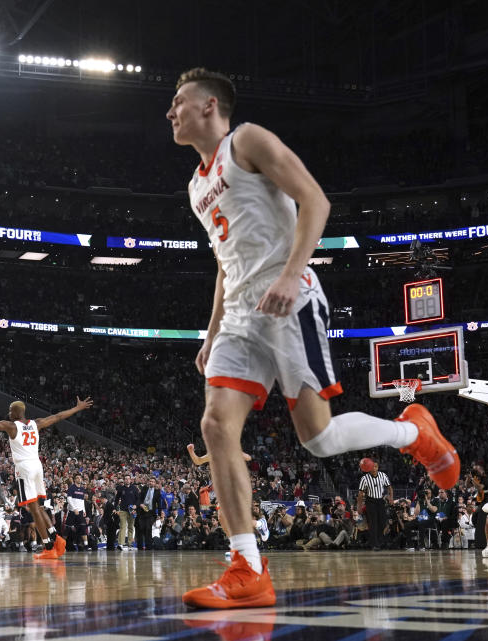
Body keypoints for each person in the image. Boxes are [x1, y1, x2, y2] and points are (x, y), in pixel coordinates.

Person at [166, 68, 460, 609]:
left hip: (290, 295)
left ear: (210, 105)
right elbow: (224, 265)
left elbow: (316, 201)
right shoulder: (195, 186)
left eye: (179, 101)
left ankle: (411, 432)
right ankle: (247, 567)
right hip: (238, 316)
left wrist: (288, 273)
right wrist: (210, 333)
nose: (170, 112)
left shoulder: (247, 141)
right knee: (214, 425)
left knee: (317, 440)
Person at [0, 396, 93, 560]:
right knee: (39, 507)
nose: (7, 413)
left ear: (15, 413)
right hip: (37, 465)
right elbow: (58, 417)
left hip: (24, 468)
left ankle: (48, 546)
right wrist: (77, 408)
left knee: (33, 509)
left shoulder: (12, 426)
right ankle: (56, 538)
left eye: (10, 410)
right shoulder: (36, 423)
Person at [356, 460, 393, 551]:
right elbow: (360, 494)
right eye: (372, 467)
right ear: (369, 467)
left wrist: (391, 498)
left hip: (380, 501)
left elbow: (390, 488)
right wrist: (359, 506)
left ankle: (378, 541)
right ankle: (374, 544)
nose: (374, 468)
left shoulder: (383, 475)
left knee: (383, 522)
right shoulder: (365, 478)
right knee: (373, 523)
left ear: (378, 467)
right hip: (370, 501)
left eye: (376, 466)